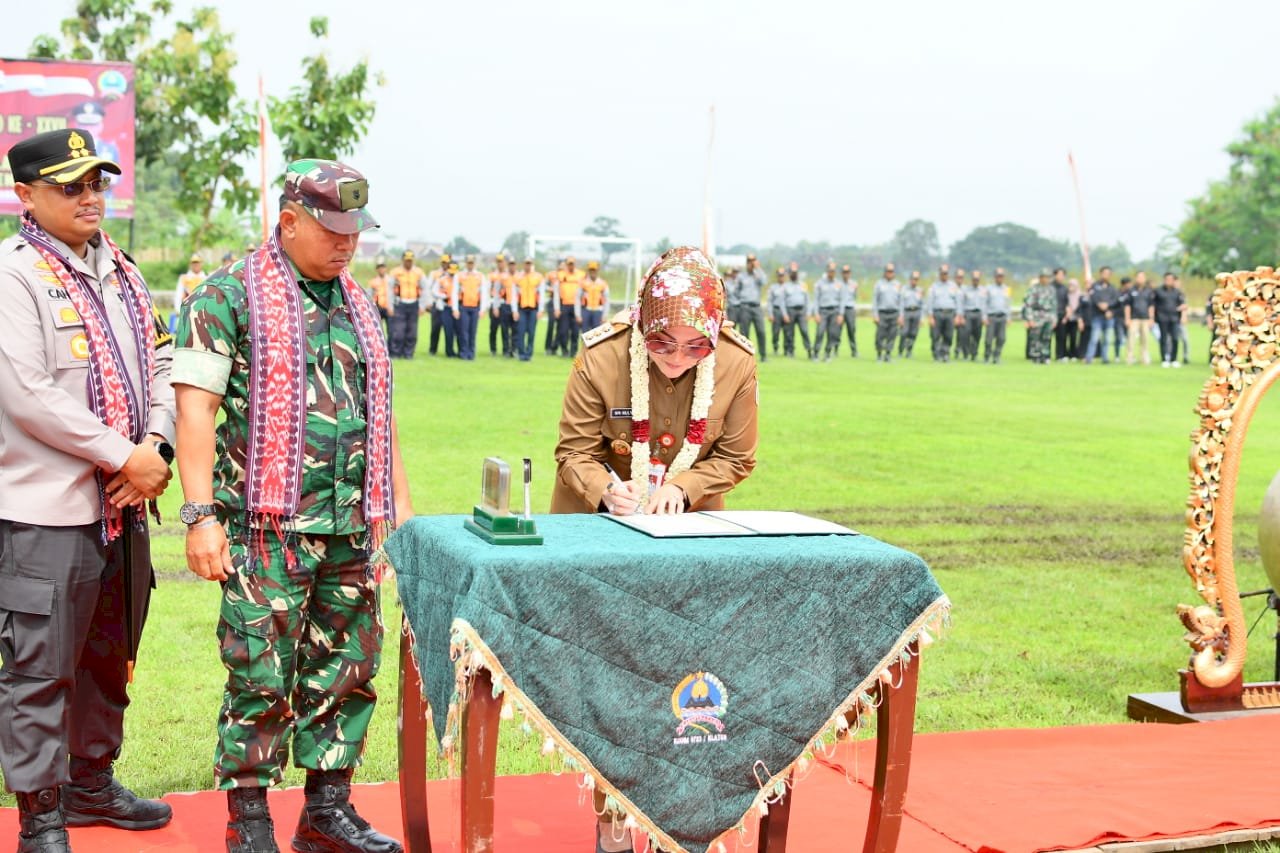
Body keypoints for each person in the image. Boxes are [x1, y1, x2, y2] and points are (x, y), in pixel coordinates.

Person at [173, 159, 412, 853]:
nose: (347, 244)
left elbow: (381, 419)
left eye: (355, 232)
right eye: (333, 230)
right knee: (259, 672)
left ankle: (325, 813)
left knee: (347, 668)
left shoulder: (356, 303)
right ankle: (249, 822)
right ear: (288, 222)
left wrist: (395, 515)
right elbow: (195, 411)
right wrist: (200, 516)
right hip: (265, 529)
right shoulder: (228, 296)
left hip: (348, 528)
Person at [0, 128, 176, 851]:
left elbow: (161, 363)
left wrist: (157, 444)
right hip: (48, 508)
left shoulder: (124, 273)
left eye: (97, 183)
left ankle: (92, 785)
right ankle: (41, 813)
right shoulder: (14, 274)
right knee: (42, 667)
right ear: (26, 196)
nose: (90, 197)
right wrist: (122, 456)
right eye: (72, 185)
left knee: (109, 655)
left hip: (122, 507)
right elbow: (27, 392)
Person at [551, 243, 757, 519]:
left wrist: (682, 489)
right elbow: (575, 451)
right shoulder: (602, 356)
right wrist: (605, 490)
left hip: (686, 522)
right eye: (662, 343)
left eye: (696, 347)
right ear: (642, 323)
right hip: (595, 518)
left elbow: (735, 457)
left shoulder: (735, 362)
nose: (677, 358)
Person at [388, 250, 426, 359]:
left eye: (410, 261)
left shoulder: (419, 272)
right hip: (400, 304)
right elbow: (389, 289)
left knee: (412, 332)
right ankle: (396, 353)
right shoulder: (395, 272)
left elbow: (425, 289)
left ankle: (409, 354)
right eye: (406, 261)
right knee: (398, 331)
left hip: (414, 304)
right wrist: (390, 306)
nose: (408, 263)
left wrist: (422, 306)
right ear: (403, 260)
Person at [451, 254, 487, 361]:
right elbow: (454, 292)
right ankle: (463, 352)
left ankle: (471, 353)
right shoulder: (460, 275)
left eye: (472, 263)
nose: (470, 265)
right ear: (465, 263)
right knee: (463, 331)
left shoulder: (480, 276)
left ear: (474, 263)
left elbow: (484, 293)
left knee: (472, 331)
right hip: (464, 306)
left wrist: (483, 309)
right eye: (468, 263)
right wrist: (455, 308)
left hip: (475, 306)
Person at [733, 253, 768, 358]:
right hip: (745, 307)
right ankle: (744, 355)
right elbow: (735, 291)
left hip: (756, 307)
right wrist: (742, 299)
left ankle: (763, 355)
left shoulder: (758, 274)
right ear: (746, 262)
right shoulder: (741, 276)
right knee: (744, 333)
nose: (751, 263)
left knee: (761, 331)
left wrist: (758, 268)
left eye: (753, 261)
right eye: (749, 261)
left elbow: (764, 281)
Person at [925, 264, 960, 362]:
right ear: (939, 274)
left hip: (950, 314)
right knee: (935, 335)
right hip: (938, 313)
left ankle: (945, 354)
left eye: (946, 273)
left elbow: (958, 301)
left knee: (948, 335)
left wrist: (958, 315)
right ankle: (936, 354)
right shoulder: (934, 286)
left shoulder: (953, 286)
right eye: (942, 273)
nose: (944, 275)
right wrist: (930, 316)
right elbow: (930, 302)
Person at [553, 257, 586, 357]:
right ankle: (564, 350)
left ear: (575, 264)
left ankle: (573, 351)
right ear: (566, 264)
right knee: (563, 330)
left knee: (575, 330)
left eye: (572, 264)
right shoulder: (561, 275)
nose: (571, 266)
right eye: (569, 264)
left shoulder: (581, 275)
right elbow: (556, 293)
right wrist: (557, 308)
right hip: (564, 305)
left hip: (577, 306)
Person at [513, 258, 545, 361]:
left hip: (533, 308)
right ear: (523, 264)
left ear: (532, 264)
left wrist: (540, 309)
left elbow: (542, 294)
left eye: (529, 264)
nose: (527, 265)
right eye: (526, 263)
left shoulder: (538, 277)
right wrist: (514, 310)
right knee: (521, 331)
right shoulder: (518, 277)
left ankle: (529, 354)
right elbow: (514, 294)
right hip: (521, 308)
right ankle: (521, 353)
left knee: (531, 332)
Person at [1084, 266, 1118, 364]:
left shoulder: (1113, 288)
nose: (1106, 275)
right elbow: (1093, 297)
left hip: (1109, 317)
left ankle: (1105, 358)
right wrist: (1100, 305)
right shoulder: (1094, 286)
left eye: (1108, 273)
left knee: (1107, 339)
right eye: (1104, 273)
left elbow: (1116, 301)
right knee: (1094, 338)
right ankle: (1089, 358)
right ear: (1100, 274)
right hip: (1097, 316)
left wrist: (1108, 308)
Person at [1023, 269, 1057, 364]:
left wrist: (1054, 319)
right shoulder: (1034, 289)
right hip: (1037, 316)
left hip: (1048, 316)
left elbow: (1054, 305)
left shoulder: (1051, 289)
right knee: (1035, 337)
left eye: (1048, 277)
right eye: (1044, 277)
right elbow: (1028, 305)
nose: (1046, 279)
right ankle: (1035, 356)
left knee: (1047, 337)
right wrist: (1030, 319)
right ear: (1040, 278)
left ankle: (1045, 355)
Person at [779, 268, 814, 359]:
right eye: (792, 273)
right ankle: (790, 351)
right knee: (790, 332)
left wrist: (808, 312)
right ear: (790, 274)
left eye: (795, 273)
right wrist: (784, 314)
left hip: (801, 311)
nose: (794, 275)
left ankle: (809, 350)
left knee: (804, 331)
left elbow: (807, 299)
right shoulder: (785, 286)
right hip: (790, 311)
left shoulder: (803, 285)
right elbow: (782, 302)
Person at [871, 263, 902, 362]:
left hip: (894, 313)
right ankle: (879, 354)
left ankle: (888, 354)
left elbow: (901, 301)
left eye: (892, 271)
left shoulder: (897, 285)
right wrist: (875, 315)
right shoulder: (879, 284)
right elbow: (875, 300)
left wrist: (901, 315)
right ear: (885, 272)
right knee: (880, 335)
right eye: (888, 271)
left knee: (892, 335)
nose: (890, 273)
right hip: (882, 313)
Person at [812, 261, 842, 361]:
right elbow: (815, 299)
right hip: (823, 311)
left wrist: (840, 314)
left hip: (834, 311)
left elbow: (842, 300)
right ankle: (816, 353)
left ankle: (827, 353)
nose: (832, 273)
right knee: (820, 332)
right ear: (827, 271)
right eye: (830, 270)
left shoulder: (838, 284)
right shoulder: (820, 283)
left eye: (833, 271)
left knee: (832, 333)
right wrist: (816, 313)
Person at [981, 268, 1011, 363]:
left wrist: (1008, 317)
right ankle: (987, 356)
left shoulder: (1007, 289)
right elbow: (984, 303)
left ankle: (996, 356)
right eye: (998, 276)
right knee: (989, 339)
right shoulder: (989, 289)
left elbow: (1008, 304)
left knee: (1002, 338)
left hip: (1002, 317)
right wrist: (984, 317)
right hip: (992, 316)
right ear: (995, 277)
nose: (1000, 278)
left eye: (1001, 276)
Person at [488, 253, 514, 357]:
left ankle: (506, 349)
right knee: (493, 328)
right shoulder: (492, 275)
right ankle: (493, 349)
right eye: (498, 262)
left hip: (505, 304)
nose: (500, 264)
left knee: (505, 328)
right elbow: (489, 290)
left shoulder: (509, 276)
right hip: (494, 303)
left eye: (502, 262)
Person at [174, 253, 206, 332]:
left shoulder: (206, 278)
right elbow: (178, 295)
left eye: (197, 262)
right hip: (187, 311)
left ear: (201, 263)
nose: (196, 265)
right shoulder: (184, 278)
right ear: (190, 264)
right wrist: (178, 310)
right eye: (193, 263)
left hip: (203, 313)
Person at [1128, 271, 1154, 365]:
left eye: (1142, 277)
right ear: (1136, 278)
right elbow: (1127, 305)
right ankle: (1130, 357)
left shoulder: (1149, 291)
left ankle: (1144, 358)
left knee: (1145, 339)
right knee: (1131, 339)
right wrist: (1128, 319)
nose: (1140, 279)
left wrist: (1151, 318)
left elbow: (1151, 305)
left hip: (1145, 318)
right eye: (1139, 277)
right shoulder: (1131, 290)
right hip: (1134, 318)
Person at [579, 260, 611, 330]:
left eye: (594, 270)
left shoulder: (603, 283)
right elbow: (577, 299)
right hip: (586, 311)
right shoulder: (583, 283)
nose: (592, 272)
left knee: (597, 334)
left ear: (597, 270)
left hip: (598, 311)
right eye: (591, 270)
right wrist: (578, 315)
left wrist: (605, 315)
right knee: (585, 334)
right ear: (588, 271)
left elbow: (607, 300)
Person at [960, 270, 984, 361]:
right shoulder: (965, 290)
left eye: (977, 279)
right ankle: (966, 354)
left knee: (977, 335)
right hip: (968, 313)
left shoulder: (983, 290)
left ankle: (974, 354)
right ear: (971, 279)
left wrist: (984, 316)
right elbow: (961, 303)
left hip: (978, 314)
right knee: (966, 334)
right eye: (974, 279)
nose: (976, 281)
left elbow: (985, 304)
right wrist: (961, 316)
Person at [899, 271, 923, 357]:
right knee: (904, 332)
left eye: (917, 279)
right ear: (910, 279)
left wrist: (921, 318)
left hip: (916, 312)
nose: (915, 281)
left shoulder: (919, 290)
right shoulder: (904, 289)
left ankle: (909, 350)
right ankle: (901, 350)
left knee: (913, 333)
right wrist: (901, 315)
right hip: (906, 312)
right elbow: (901, 303)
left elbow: (922, 304)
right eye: (913, 279)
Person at [366, 260, 391, 340]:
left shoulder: (391, 280)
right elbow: (368, 295)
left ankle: (391, 349)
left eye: (383, 267)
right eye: (379, 268)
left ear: (386, 268)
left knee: (391, 329)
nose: (381, 269)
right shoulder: (373, 281)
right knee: (377, 329)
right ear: (377, 269)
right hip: (377, 307)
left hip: (389, 307)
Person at [838, 264, 859, 357]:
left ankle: (854, 350)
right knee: (837, 331)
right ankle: (834, 349)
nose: (846, 274)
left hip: (850, 309)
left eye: (847, 272)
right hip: (840, 309)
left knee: (851, 330)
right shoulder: (838, 284)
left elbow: (854, 297)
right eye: (844, 272)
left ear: (850, 273)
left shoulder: (854, 284)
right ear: (842, 273)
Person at [1062, 278, 1083, 360]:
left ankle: (1073, 354)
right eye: (1070, 285)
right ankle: (1065, 354)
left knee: (1073, 337)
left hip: (1075, 319)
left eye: (1073, 285)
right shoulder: (1066, 295)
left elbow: (1079, 308)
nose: (1071, 287)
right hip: (1066, 319)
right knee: (1064, 337)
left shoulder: (1080, 295)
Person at [1051, 267, 1070, 361]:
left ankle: (1060, 356)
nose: (1062, 277)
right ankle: (1045, 356)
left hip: (1061, 315)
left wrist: (1066, 316)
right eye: (1060, 274)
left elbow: (1067, 303)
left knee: (1062, 337)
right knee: (1047, 337)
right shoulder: (1049, 287)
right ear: (1055, 275)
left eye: (1063, 275)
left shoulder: (1064, 288)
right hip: (1050, 315)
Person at [1114, 276, 1133, 363]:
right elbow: (1113, 304)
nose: (1130, 285)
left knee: (1129, 337)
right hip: (1118, 318)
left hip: (1128, 318)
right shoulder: (1117, 293)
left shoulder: (1131, 293)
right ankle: (1117, 355)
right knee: (1119, 337)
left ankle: (1130, 355)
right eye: (1128, 284)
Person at [768, 267, 786, 355]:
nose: (781, 277)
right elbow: (770, 301)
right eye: (779, 275)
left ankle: (788, 350)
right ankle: (775, 347)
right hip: (776, 311)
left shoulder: (787, 286)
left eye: (782, 275)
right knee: (776, 332)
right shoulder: (773, 287)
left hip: (787, 312)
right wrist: (770, 314)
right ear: (777, 276)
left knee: (788, 331)